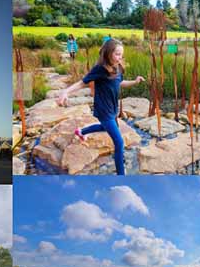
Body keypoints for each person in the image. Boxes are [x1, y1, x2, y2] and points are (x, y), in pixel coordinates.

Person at [55, 38, 145, 175]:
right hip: (104, 110)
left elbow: (120, 83)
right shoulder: (100, 69)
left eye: (121, 54)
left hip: (113, 108)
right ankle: (121, 174)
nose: (119, 57)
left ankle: (80, 132)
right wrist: (65, 91)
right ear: (108, 53)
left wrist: (135, 81)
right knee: (119, 142)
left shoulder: (118, 67)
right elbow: (82, 82)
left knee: (104, 127)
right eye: (117, 54)